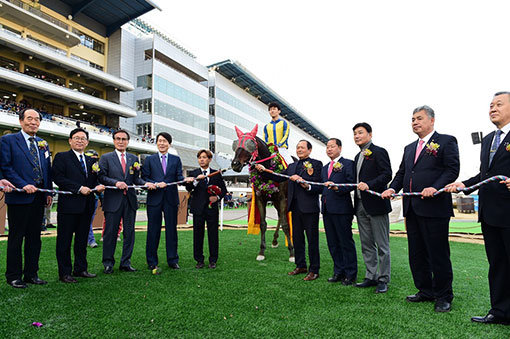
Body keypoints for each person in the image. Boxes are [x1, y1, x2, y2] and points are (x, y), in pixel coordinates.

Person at [381, 105, 459, 313]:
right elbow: (402, 173)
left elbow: (452, 169)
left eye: (419, 118)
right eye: (413, 119)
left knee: (438, 253)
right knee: (416, 253)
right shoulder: (409, 148)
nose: (415, 122)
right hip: (412, 208)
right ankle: (425, 290)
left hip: (435, 208)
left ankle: (444, 295)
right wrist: (392, 188)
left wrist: (436, 187)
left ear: (432, 120)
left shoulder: (446, 141)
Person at [446, 92, 510, 325]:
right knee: (498, 265)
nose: (493, 108)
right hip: (490, 213)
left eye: (499, 104)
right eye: (491, 105)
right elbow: (486, 175)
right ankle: (500, 312)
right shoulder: (488, 140)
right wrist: (465, 184)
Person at [0, 108, 52, 288]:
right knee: (16, 237)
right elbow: (6, 167)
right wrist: (22, 185)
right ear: (21, 121)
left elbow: (46, 170)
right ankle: (13, 276)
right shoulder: (8, 140)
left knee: (34, 238)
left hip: (38, 198)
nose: (34, 122)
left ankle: (32, 274)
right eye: (30, 118)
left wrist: (47, 192)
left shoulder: (43, 143)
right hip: (19, 197)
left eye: (37, 119)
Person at [257, 140, 323, 281]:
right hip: (294, 208)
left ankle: (314, 270)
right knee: (298, 239)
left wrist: (305, 184)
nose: (299, 150)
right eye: (297, 147)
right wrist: (264, 171)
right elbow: (278, 177)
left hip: (310, 208)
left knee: (312, 240)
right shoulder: (292, 166)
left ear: (309, 150)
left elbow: (319, 185)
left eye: (302, 147)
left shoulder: (317, 164)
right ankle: (301, 266)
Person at [52, 128, 105, 283]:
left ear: (87, 142)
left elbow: (93, 181)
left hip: (86, 206)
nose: (80, 141)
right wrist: (78, 188)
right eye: (76, 138)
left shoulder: (91, 161)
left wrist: (98, 185)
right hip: (68, 206)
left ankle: (81, 269)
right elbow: (58, 178)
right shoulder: (62, 157)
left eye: (83, 138)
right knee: (64, 241)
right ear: (70, 140)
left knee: (82, 240)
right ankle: (65, 273)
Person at [98, 130, 154, 274]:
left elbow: (136, 179)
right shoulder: (105, 158)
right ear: (114, 140)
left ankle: (126, 262)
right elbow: (102, 177)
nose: (121, 141)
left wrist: (145, 184)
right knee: (110, 233)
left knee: (129, 233)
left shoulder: (133, 158)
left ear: (128, 141)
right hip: (113, 200)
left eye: (124, 139)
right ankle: (108, 263)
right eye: (118, 139)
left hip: (129, 200)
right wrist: (116, 182)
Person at [141, 132, 192, 271]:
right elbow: (144, 178)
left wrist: (185, 180)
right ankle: (151, 261)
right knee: (153, 231)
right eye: (159, 141)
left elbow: (179, 177)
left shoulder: (176, 159)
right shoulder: (149, 159)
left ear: (169, 144)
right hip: (154, 199)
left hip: (170, 199)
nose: (161, 143)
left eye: (164, 141)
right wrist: (155, 183)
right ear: (156, 143)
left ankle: (173, 260)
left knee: (171, 230)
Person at [353, 122, 392, 293]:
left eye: (360, 132)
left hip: (376, 204)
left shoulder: (379, 151)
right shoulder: (357, 156)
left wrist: (369, 185)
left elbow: (387, 174)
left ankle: (383, 279)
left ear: (370, 134)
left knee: (382, 245)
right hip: (360, 205)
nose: (357, 136)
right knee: (366, 243)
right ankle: (371, 275)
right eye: (354, 133)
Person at [321, 138, 357, 285]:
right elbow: (320, 187)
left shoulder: (348, 163)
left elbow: (352, 183)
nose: (329, 149)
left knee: (345, 242)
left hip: (342, 209)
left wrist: (338, 187)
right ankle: (338, 271)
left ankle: (350, 274)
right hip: (327, 210)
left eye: (332, 146)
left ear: (340, 148)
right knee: (332, 243)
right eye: (327, 147)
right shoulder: (324, 168)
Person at [185, 149, 227, 269]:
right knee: (198, 235)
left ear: (209, 159)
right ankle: (199, 260)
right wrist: (196, 181)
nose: (202, 160)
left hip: (212, 209)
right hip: (198, 209)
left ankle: (213, 260)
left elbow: (224, 190)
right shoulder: (193, 173)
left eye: (204, 157)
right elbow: (188, 188)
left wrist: (217, 197)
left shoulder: (216, 173)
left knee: (213, 235)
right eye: (199, 158)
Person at [85, 149, 100, 248]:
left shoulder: (97, 168)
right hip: (80, 197)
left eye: (95, 159)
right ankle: (89, 239)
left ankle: (89, 239)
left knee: (89, 220)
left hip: (93, 197)